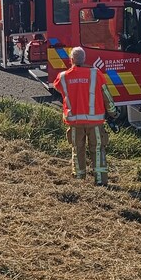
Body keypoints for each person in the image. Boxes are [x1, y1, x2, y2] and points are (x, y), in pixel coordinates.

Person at [52, 47, 119, 186]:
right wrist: (113, 113)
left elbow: (57, 87)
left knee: (77, 149)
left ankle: (79, 180)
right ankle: (100, 182)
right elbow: (106, 96)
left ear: (71, 60)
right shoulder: (96, 74)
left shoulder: (63, 77)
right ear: (85, 59)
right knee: (98, 150)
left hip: (75, 121)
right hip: (95, 122)